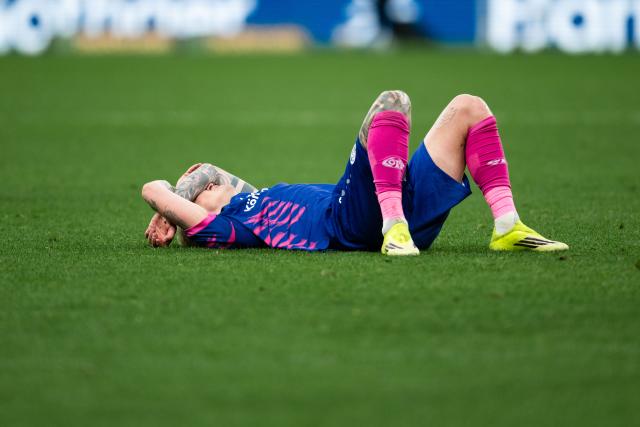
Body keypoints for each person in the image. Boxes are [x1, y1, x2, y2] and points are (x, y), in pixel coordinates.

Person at [142, 91, 568, 255]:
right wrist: (166, 208)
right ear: (193, 219)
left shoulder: (246, 198)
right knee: (392, 103)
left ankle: (507, 226)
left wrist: (180, 194)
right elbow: (152, 188)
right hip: (352, 222)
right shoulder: (223, 230)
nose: (212, 183)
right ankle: (395, 226)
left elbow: (204, 168)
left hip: (386, 202)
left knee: (469, 107)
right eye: (199, 194)